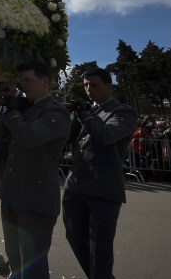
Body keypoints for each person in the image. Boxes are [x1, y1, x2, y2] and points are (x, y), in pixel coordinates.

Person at [0, 62, 70, 279]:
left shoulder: (55, 112)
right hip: (12, 193)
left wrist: (15, 110)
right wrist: (1, 107)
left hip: (35, 199)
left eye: (28, 81)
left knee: (33, 267)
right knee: (16, 261)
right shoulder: (27, 108)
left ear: (46, 82)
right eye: (21, 82)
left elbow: (28, 138)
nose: (23, 86)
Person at [62, 67, 138, 279]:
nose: (88, 89)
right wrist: (74, 116)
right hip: (75, 186)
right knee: (74, 237)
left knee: (100, 251)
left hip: (103, 190)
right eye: (86, 85)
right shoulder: (89, 112)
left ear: (108, 86)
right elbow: (68, 139)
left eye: (94, 85)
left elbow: (106, 135)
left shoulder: (123, 112)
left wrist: (85, 115)